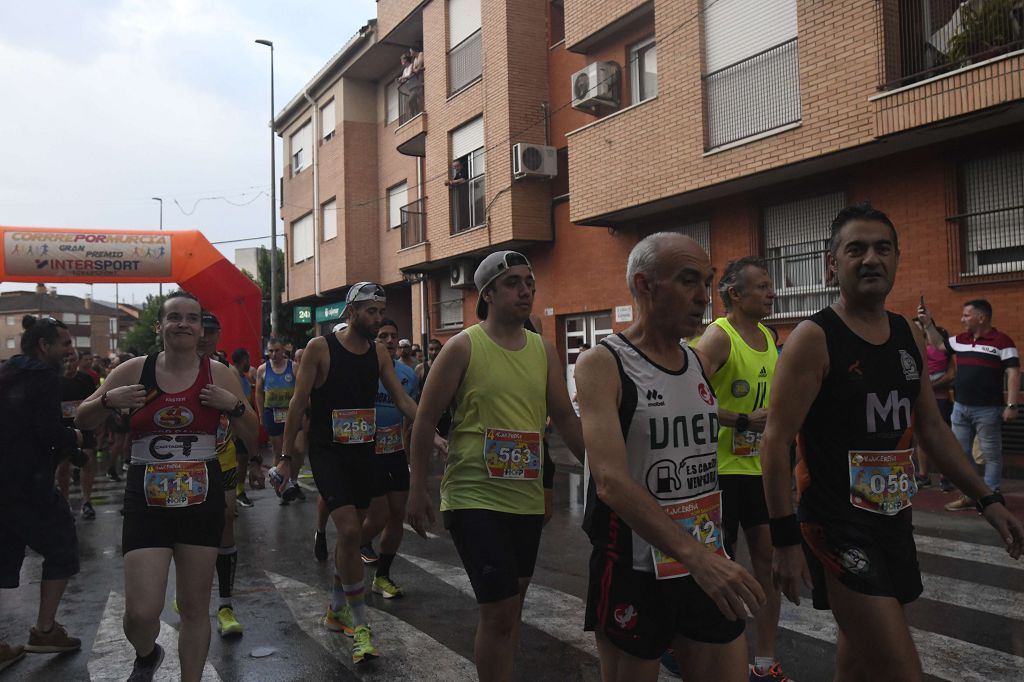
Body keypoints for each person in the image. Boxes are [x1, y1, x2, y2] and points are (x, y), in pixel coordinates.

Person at [760, 205, 1024, 682]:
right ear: (832, 264)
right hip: (835, 526)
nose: (871, 259)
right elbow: (775, 444)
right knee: (900, 670)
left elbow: (932, 430)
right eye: (855, 249)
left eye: (883, 248)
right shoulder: (814, 338)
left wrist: (988, 499)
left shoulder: (905, 333)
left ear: (898, 258)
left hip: (891, 517)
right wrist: (784, 542)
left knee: (858, 657)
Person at [573, 234, 765, 682]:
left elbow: (694, 417)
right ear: (644, 286)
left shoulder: (696, 362)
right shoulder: (603, 363)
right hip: (635, 564)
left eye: (707, 281)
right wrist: (696, 557)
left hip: (703, 555)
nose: (703, 296)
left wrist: (741, 422)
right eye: (688, 281)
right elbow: (610, 482)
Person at [407, 251, 585, 682]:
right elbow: (426, 418)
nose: (525, 291)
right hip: (473, 494)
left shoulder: (542, 350)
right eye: (513, 283)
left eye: (530, 283)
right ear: (487, 293)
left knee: (512, 610)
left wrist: (605, 472)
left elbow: (564, 419)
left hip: (522, 498)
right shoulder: (463, 347)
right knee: (499, 608)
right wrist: (416, 489)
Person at [76, 292, 258, 682]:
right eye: (174, 317)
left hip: (200, 497)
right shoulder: (134, 370)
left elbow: (253, 435)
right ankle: (147, 653)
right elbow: (82, 418)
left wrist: (235, 407)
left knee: (194, 607)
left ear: (201, 329)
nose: (183, 324)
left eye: (192, 318)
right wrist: (108, 400)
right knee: (141, 613)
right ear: (159, 326)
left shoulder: (218, 374)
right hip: (147, 500)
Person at [277, 282, 419, 664]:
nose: (376, 319)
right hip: (328, 453)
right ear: (351, 311)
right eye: (370, 312)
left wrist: (431, 431)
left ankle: (337, 607)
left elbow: (403, 399)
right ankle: (360, 627)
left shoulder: (378, 354)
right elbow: (297, 402)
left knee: (350, 540)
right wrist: (286, 456)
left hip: (363, 451)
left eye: (380, 311)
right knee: (352, 532)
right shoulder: (321, 349)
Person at [696, 257, 786, 681]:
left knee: (769, 561)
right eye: (763, 286)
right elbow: (689, 393)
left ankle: (764, 662)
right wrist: (743, 420)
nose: (772, 292)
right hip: (719, 471)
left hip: (759, 470)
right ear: (735, 294)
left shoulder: (769, 336)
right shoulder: (718, 337)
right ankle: (715, 655)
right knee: (723, 564)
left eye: (770, 286)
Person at [0, 316, 84, 673]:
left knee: (2, 559)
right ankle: (46, 630)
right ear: (43, 346)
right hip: (29, 485)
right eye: (64, 344)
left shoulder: (6, 371)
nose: (70, 350)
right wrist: (75, 439)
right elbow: (48, 430)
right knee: (63, 548)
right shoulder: (43, 377)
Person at [359, 319, 441, 597]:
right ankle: (349, 547)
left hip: (394, 452)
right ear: (374, 339)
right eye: (383, 335)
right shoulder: (364, 370)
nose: (390, 340)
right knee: (379, 515)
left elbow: (412, 417)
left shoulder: (407, 374)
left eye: (394, 336)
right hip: (368, 454)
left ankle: (382, 575)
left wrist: (431, 440)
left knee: (397, 515)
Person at [917, 299, 1020, 508]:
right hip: (961, 407)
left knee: (991, 454)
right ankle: (972, 494)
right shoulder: (961, 340)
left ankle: (991, 496)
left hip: (988, 409)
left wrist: (1011, 404)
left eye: (966, 315)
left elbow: (1013, 372)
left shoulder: (1002, 341)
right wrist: (928, 324)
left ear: (981, 317)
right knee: (961, 453)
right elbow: (938, 345)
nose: (962, 319)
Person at [196, 314, 246, 639]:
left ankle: (226, 605)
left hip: (223, 459)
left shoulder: (224, 372)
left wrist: (252, 460)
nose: (204, 336)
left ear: (218, 335)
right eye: (200, 330)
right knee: (188, 528)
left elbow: (246, 413)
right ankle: (190, 590)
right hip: (183, 466)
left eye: (211, 331)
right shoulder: (166, 370)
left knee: (226, 519)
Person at [257, 339, 304, 503]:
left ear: (283, 350)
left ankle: (294, 481)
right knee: (278, 452)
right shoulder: (262, 369)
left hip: (293, 413)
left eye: (276, 350)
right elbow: (259, 393)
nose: (273, 354)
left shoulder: (294, 368)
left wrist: (304, 412)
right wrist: (262, 415)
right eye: (270, 351)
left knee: (297, 449)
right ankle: (281, 488)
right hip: (273, 413)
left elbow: (302, 392)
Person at [910, 320, 954, 489]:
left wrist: (929, 386)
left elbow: (951, 374)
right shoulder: (912, 347)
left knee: (940, 437)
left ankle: (945, 477)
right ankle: (923, 474)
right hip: (919, 399)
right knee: (921, 439)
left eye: (919, 326)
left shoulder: (936, 348)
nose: (916, 329)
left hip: (939, 399)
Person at [57, 350, 99, 520]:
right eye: (65, 359)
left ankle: (87, 502)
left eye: (72, 359)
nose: (69, 363)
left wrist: (97, 423)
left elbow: (94, 400)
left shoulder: (85, 379)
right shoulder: (55, 380)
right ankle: (65, 502)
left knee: (88, 461)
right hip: (62, 428)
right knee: (63, 466)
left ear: (77, 361)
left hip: (84, 425)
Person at [230, 347, 261, 502]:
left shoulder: (244, 376)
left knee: (242, 458)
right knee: (240, 459)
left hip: (244, 425)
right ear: (244, 360)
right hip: (236, 426)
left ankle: (238, 490)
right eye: (248, 359)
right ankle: (236, 491)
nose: (250, 362)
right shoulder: (232, 376)